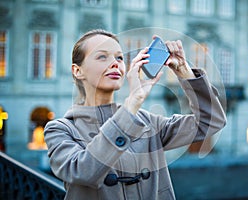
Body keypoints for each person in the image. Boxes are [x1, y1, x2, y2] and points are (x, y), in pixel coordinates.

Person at [44, 29, 226, 200]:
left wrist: (184, 72)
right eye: (102, 57)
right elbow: (83, 172)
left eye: (119, 57)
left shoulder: (148, 122)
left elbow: (211, 122)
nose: (115, 63)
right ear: (78, 71)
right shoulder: (59, 129)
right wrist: (133, 102)